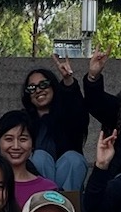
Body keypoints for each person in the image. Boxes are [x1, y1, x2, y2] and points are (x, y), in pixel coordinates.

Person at [23, 61, 91, 195]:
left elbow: (79, 112)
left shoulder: (68, 115)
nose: (38, 90)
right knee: (39, 157)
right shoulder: (23, 120)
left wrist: (68, 79)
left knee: (73, 159)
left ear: (53, 86)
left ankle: (66, 208)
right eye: (32, 88)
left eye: (43, 84)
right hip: (37, 191)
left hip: (68, 182)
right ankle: (45, 204)